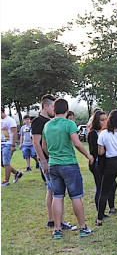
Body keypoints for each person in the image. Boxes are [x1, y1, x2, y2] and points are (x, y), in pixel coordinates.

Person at [41, 98, 94, 239]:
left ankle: (57, 229)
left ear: (53, 110)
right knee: (75, 196)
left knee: (57, 196)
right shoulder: (69, 124)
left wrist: (52, 156)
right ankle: (83, 228)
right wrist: (88, 155)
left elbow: (44, 146)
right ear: (67, 110)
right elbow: (76, 143)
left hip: (53, 164)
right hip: (69, 164)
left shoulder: (47, 126)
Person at [32, 94, 77, 230]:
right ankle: (58, 221)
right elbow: (36, 143)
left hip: (54, 160)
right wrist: (44, 161)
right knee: (55, 191)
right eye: (52, 106)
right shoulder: (38, 121)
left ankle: (52, 220)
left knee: (51, 189)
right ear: (45, 106)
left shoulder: (52, 121)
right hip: (49, 161)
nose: (54, 109)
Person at [87, 110, 117, 217]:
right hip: (97, 163)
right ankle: (100, 212)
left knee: (112, 185)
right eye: (102, 120)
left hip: (108, 162)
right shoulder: (93, 133)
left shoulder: (108, 132)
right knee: (100, 187)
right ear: (96, 121)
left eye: (106, 120)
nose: (104, 122)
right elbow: (95, 151)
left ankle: (112, 207)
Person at [1, 108, 23, 187]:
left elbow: (14, 133)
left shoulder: (10, 120)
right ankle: (17, 173)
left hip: (8, 144)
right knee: (2, 163)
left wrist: (13, 145)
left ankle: (6, 180)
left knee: (6, 163)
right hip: (1, 143)